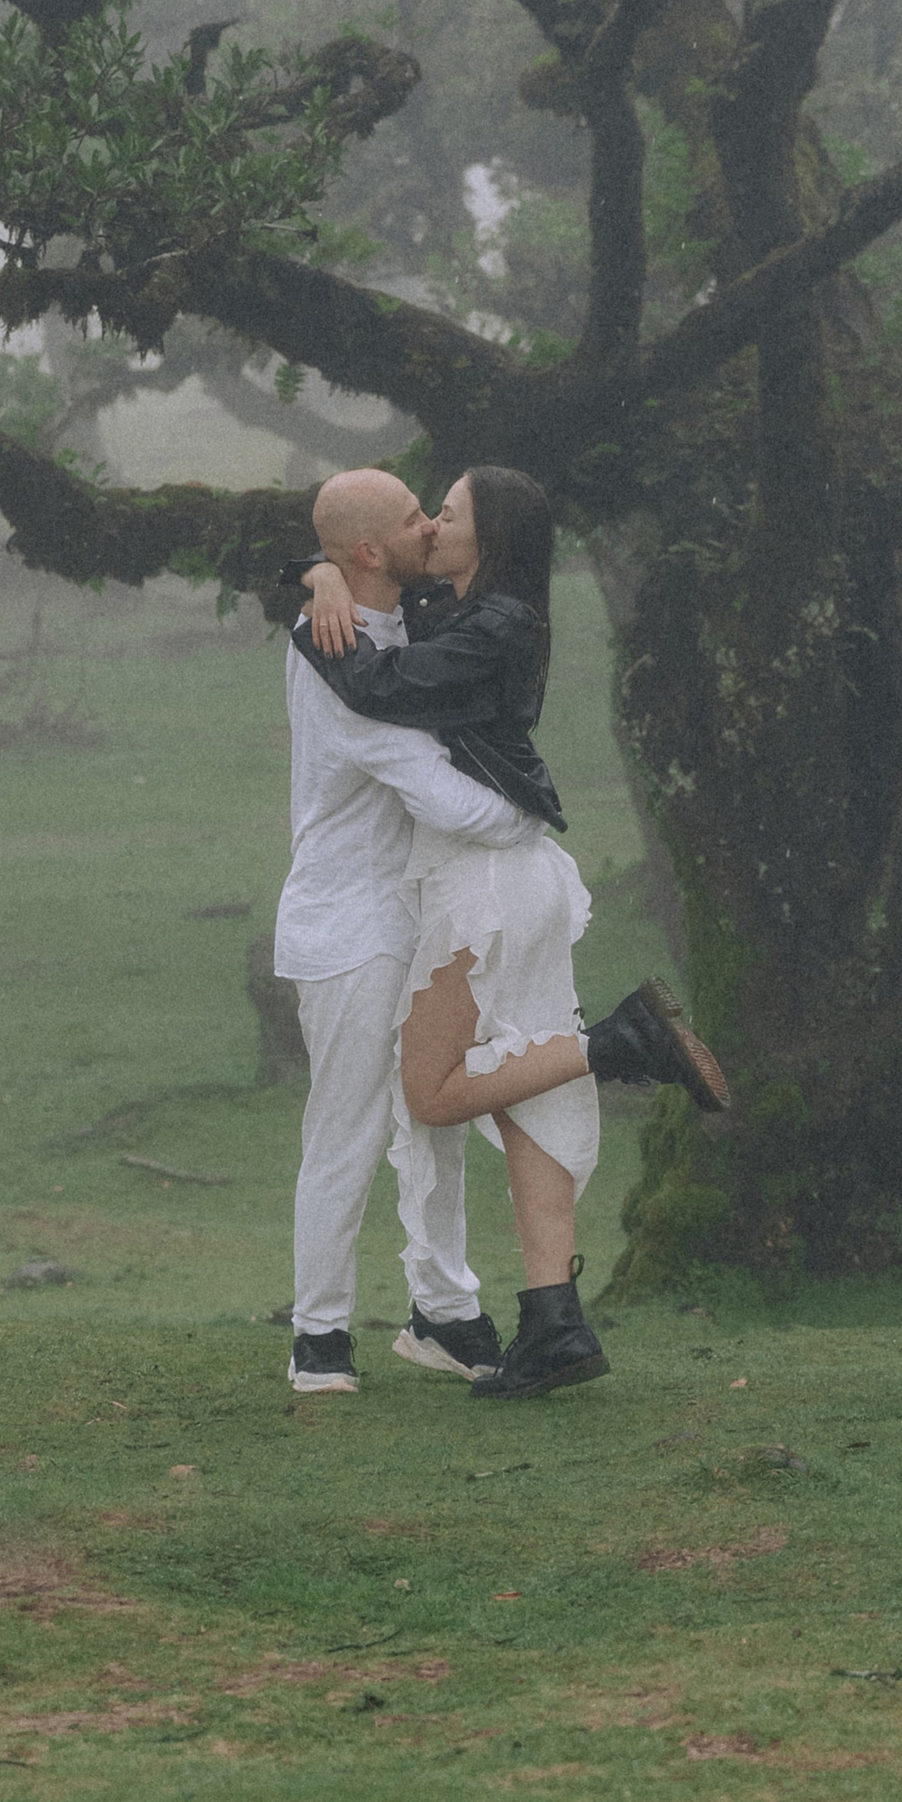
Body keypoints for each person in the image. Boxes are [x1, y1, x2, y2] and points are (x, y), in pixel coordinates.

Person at [297, 464, 729, 1399]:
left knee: (433, 1093)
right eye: (419, 515)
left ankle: (618, 1041)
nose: (428, 526)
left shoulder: (491, 625)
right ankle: (553, 1324)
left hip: (482, 885)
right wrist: (322, 575)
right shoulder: (462, 608)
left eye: (442, 515)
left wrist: (312, 624)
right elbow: (361, 562)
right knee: (525, 1093)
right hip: (508, 886)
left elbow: (374, 686)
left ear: (481, 539)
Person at [274, 467, 536, 1397]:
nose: (434, 526)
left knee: (434, 1119)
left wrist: (314, 566)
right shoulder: (334, 648)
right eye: (416, 517)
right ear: (372, 553)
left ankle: (444, 1313)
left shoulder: (401, 612)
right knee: (344, 1128)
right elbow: (439, 794)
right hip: (349, 926)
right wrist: (531, 824)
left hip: (419, 914)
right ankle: (319, 1334)